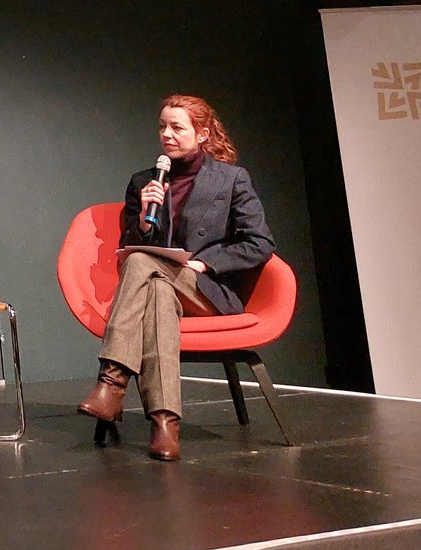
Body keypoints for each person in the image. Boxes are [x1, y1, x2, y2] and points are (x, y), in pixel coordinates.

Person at [75, 94, 276, 461]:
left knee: (142, 268)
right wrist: (140, 221)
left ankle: (112, 382)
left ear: (201, 134)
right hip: (162, 287)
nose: (166, 134)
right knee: (152, 286)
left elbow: (260, 242)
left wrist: (207, 263)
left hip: (206, 290)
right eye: (162, 126)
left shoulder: (231, 179)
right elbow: (130, 249)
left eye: (177, 127)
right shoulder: (143, 182)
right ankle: (165, 424)